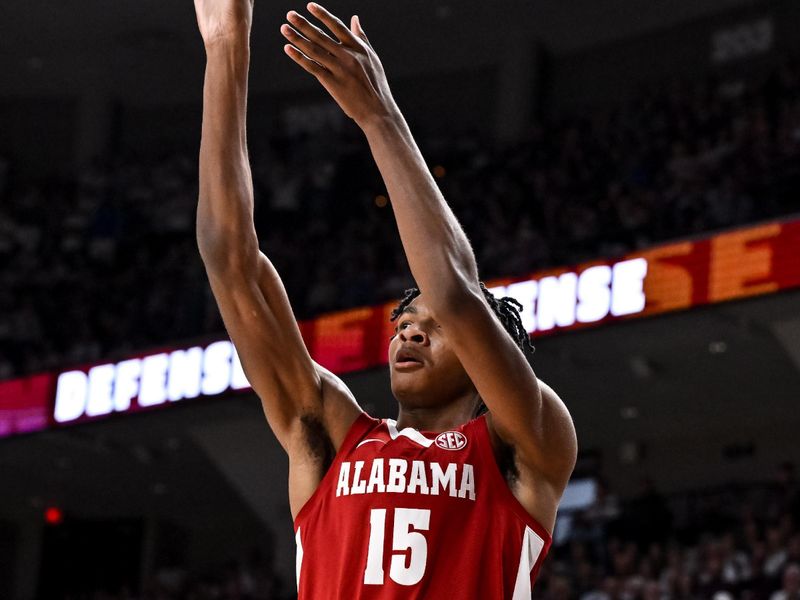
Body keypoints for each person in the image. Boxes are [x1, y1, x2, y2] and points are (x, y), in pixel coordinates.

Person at [193, 1, 577, 597]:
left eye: (433, 328)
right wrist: (226, 48)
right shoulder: (329, 433)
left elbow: (454, 293)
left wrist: (380, 117)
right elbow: (230, 261)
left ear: (489, 361)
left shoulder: (524, 445)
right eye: (403, 322)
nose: (409, 332)